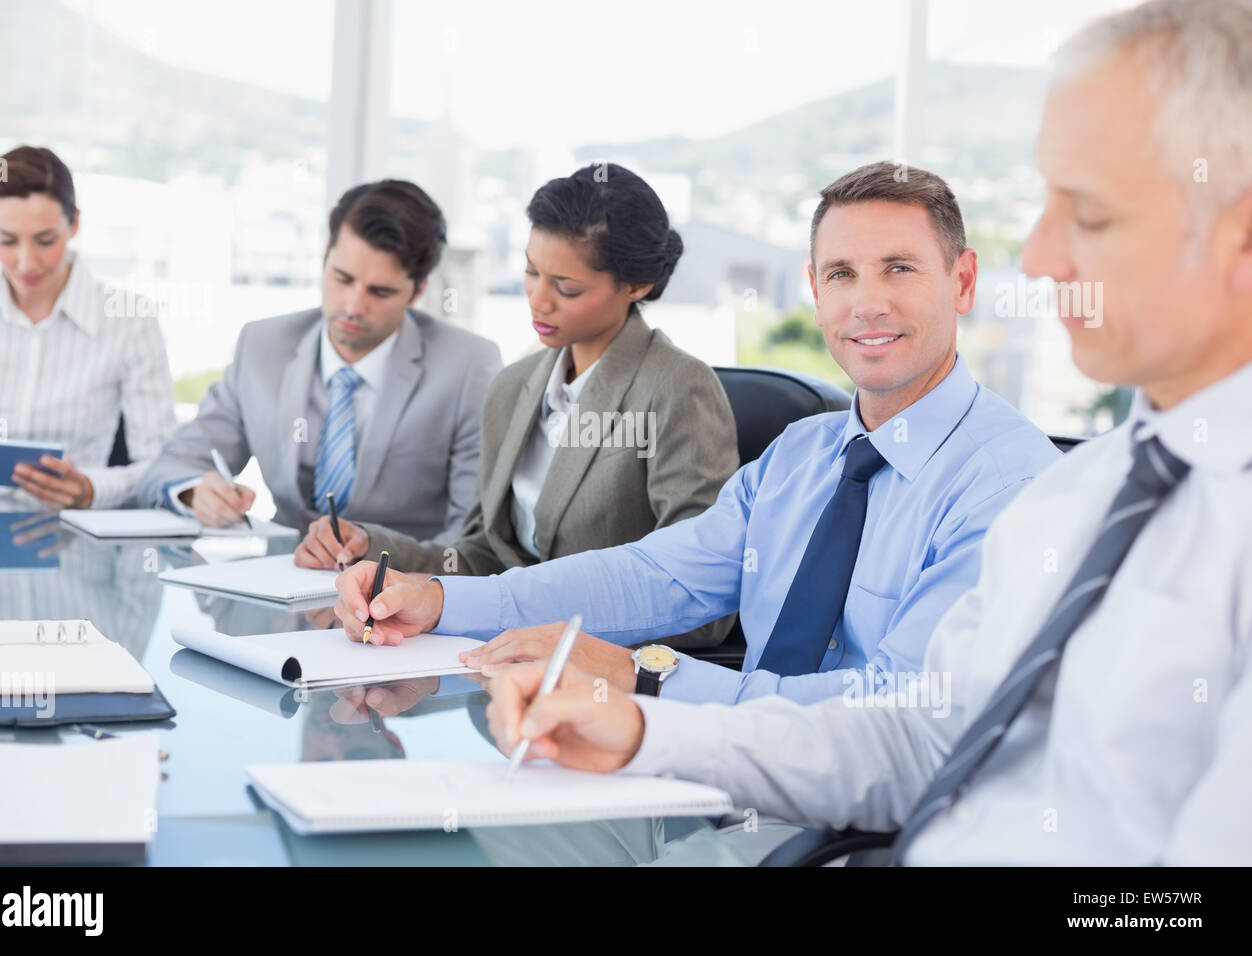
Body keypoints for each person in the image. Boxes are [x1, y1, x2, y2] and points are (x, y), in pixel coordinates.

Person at [482, 0, 1252, 865]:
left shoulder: (1032, 486)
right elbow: (921, 739)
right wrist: (643, 731)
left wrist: (654, 684)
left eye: (1093, 214)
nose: (1036, 259)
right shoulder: (1087, 495)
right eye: (841, 273)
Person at [333, 162, 1060, 706]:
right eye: (841, 274)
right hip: (721, 770)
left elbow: (897, 710)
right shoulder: (799, 459)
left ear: (962, 281)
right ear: (815, 291)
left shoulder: (1012, 484)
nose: (866, 303)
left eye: (899, 268)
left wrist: (645, 677)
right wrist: (439, 597)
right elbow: (656, 574)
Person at [296, 164, 739, 649]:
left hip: (597, 680)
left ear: (636, 286)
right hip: (495, 663)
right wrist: (372, 545)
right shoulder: (514, 387)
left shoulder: (677, 387)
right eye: (531, 272)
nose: (538, 301)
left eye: (566, 288)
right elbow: (483, 558)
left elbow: (702, 600)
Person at [137, 179, 502, 536]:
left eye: (380, 291)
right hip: (280, 581)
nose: (353, 306)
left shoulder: (469, 368)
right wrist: (195, 492)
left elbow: (472, 537)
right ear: (325, 256)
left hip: (397, 586)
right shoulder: (263, 346)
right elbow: (169, 467)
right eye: (342, 278)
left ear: (417, 291)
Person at [0, 145, 176, 508]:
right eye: (7, 241)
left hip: (75, 533)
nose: (26, 262)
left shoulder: (130, 321)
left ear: (73, 224)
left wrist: (91, 488)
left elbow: (162, 466)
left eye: (45, 240)